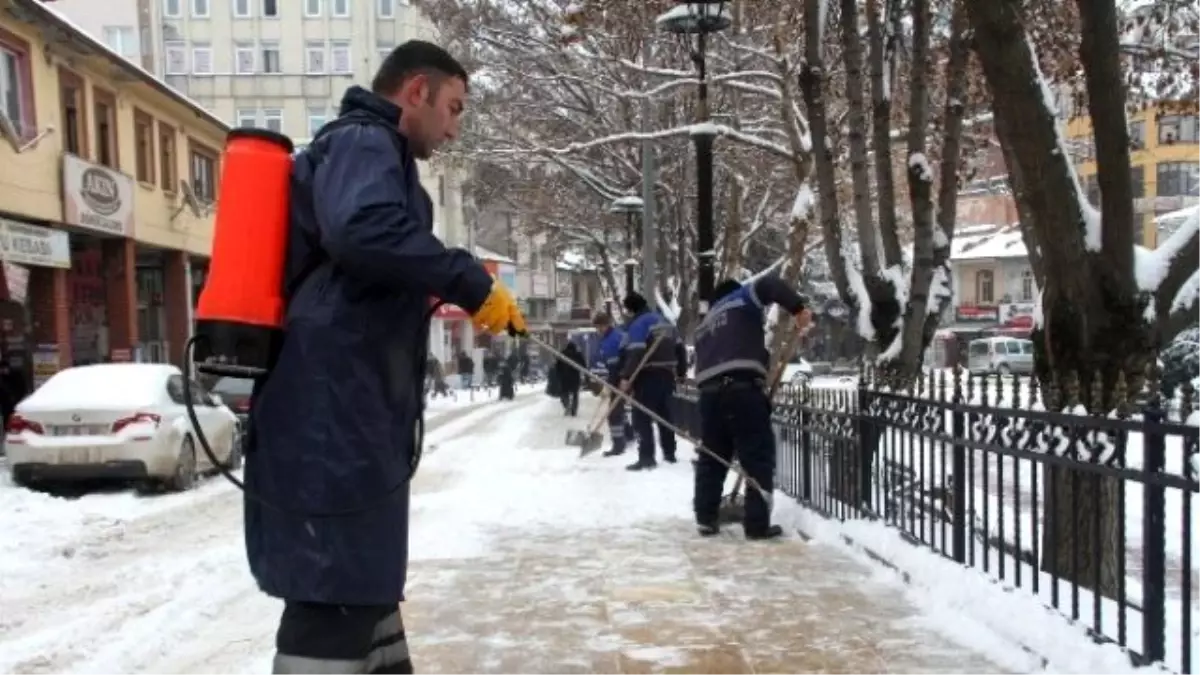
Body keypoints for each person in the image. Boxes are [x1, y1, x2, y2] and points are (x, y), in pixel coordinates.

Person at [242, 40, 527, 675]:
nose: (454, 129)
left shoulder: (379, 154)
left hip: (351, 410)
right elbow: (363, 230)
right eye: (453, 108)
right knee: (333, 590)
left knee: (360, 582)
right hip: (328, 416)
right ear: (416, 91)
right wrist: (469, 281)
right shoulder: (364, 141)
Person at [692, 276, 812, 540]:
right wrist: (798, 308)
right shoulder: (741, 297)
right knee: (756, 455)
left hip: (709, 395)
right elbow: (769, 284)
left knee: (712, 457)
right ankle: (756, 524)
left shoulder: (704, 325)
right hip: (741, 389)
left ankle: (706, 517)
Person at [618, 291, 685, 471]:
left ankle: (646, 457)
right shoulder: (665, 321)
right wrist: (681, 373)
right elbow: (680, 348)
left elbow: (636, 352)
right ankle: (670, 454)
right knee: (665, 416)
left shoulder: (639, 324)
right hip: (667, 375)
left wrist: (626, 377)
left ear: (631, 310)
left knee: (641, 417)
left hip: (648, 375)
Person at [592, 311, 635, 456]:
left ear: (606, 325)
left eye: (600, 327)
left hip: (624, 378)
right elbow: (611, 365)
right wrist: (608, 383)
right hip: (616, 378)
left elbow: (624, 360)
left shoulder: (616, 337)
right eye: (597, 328)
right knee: (618, 408)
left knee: (613, 413)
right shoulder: (606, 340)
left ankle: (619, 445)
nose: (598, 330)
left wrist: (622, 378)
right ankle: (629, 435)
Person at [555, 339, 585, 416]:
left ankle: (567, 405)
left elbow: (557, 366)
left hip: (564, 378)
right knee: (575, 395)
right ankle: (574, 410)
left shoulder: (562, 354)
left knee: (564, 393)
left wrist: (559, 375)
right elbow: (583, 365)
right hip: (575, 378)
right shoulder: (578, 354)